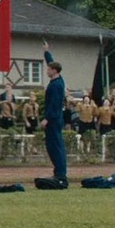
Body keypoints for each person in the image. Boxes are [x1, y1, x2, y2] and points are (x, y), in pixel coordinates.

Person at [39, 40, 67, 187]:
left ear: (54, 71)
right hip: (55, 119)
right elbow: (52, 62)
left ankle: (61, 174)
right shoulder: (59, 79)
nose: (47, 71)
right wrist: (46, 52)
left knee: (55, 147)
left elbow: (54, 105)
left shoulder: (56, 86)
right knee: (54, 146)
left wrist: (47, 119)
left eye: (49, 69)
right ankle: (59, 172)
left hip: (54, 120)